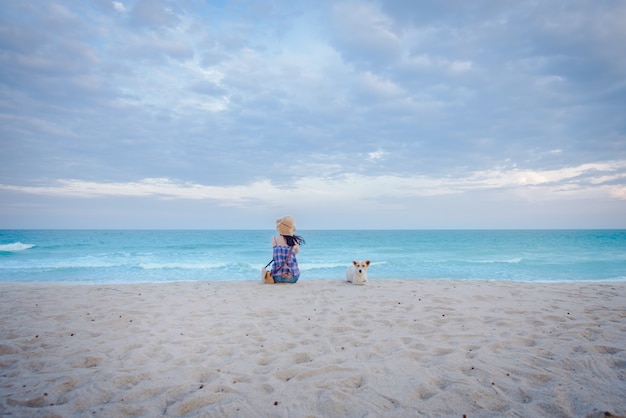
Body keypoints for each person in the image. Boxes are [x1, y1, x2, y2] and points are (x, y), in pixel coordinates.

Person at [269, 216, 305, 283]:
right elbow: (297, 252)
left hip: (276, 277)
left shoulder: (274, 239)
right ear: (291, 229)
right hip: (292, 277)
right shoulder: (294, 241)